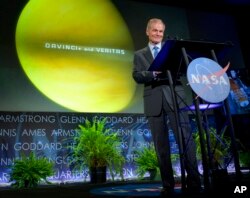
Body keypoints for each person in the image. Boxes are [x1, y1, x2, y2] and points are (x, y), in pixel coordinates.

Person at [132, 18, 201, 195]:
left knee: (186, 141)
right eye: (154, 30)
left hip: (176, 99)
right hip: (154, 103)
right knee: (161, 147)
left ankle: (194, 182)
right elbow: (137, 76)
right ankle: (167, 185)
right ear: (147, 32)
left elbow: (185, 69)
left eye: (161, 31)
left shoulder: (173, 51)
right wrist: (152, 74)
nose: (158, 34)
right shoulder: (139, 54)